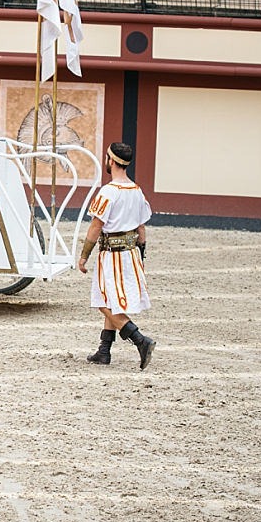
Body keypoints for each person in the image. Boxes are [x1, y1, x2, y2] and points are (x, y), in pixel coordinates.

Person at [77, 142, 155, 370]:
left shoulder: (109, 192)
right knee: (112, 301)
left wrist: (83, 256)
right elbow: (142, 228)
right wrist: (141, 253)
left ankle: (140, 339)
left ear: (111, 161)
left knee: (103, 301)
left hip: (112, 255)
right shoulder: (137, 191)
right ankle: (104, 351)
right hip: (130, 253)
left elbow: (95, 226)